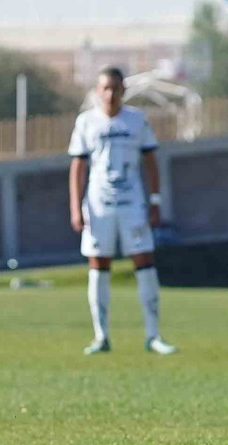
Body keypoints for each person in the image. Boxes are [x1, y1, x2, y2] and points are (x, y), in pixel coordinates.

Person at [68, 66, 177, 356]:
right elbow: (78, 166)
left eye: (115, 88)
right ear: (97, 91)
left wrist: (155, 201)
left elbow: (150, 161)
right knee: (98, 263)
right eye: (105, 88)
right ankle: (101, 336)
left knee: (144, 260)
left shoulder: (137, 120)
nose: (110, 94)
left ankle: (153, 335)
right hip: (98, 204)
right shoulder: (86, 122)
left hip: (132, 203)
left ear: (123, 90)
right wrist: (76, 207)